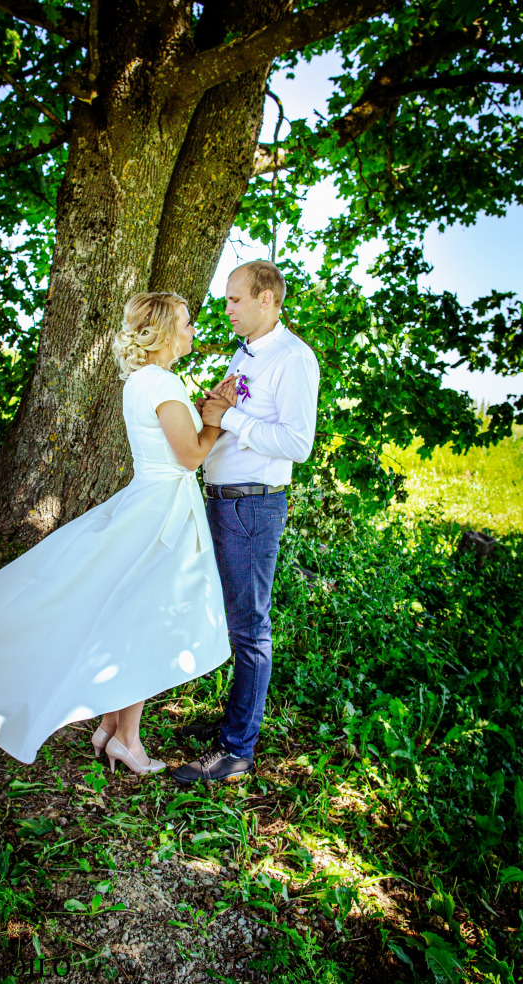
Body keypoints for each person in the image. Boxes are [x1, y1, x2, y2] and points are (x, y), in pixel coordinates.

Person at [0, 292, 232, 775]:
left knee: (129, 614)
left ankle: (113, 730)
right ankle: (128, 741)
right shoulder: (162, 382)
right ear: (162, 331)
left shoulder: (143, 381)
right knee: (146, 622)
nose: (192, 330)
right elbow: (191, 456)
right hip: (161, 514)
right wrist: (216, 416)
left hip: (151, 503)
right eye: (185, 322)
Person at [172, 260, 319, 784]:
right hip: (220, 497)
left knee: (250, 627)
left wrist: (227, 417)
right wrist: (211, 411)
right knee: (229, 617)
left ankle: (237, 750)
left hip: (252, 506)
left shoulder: (294, 360)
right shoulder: (246, 352)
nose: (226, 307)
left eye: (235, 299)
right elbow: (224, 411)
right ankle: (236, 718)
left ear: (265, 299)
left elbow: (298, 444)